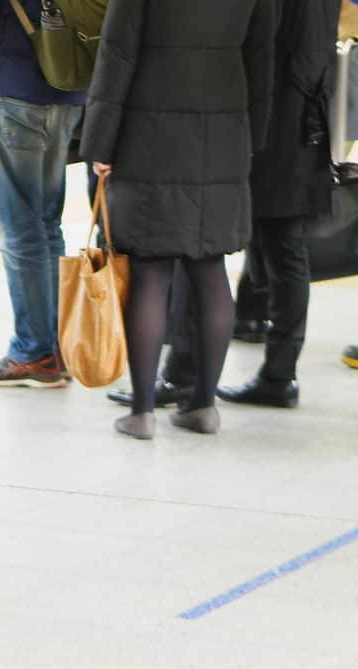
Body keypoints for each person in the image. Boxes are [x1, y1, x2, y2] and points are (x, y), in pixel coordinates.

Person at [82, 0, 275, 439]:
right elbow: (262, 56)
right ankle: (203, 406)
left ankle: (142, 412)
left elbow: (117, 54)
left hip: (148, 138)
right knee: (210, 268)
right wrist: (252, 134)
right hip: (225, 135)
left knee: (150, 270)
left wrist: (98, 143)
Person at [0, 0, 85, 386]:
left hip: (11, 88)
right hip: (64, 84)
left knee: (18, 227)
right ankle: (54, 346)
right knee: (46, 224)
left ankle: (33, 351)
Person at [217, 0, 341, 410]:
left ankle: (279, 374)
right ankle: (268, 350)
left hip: (281, 117)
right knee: (277, 238)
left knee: (283, 243)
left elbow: (270, 44)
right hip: (298, 113)